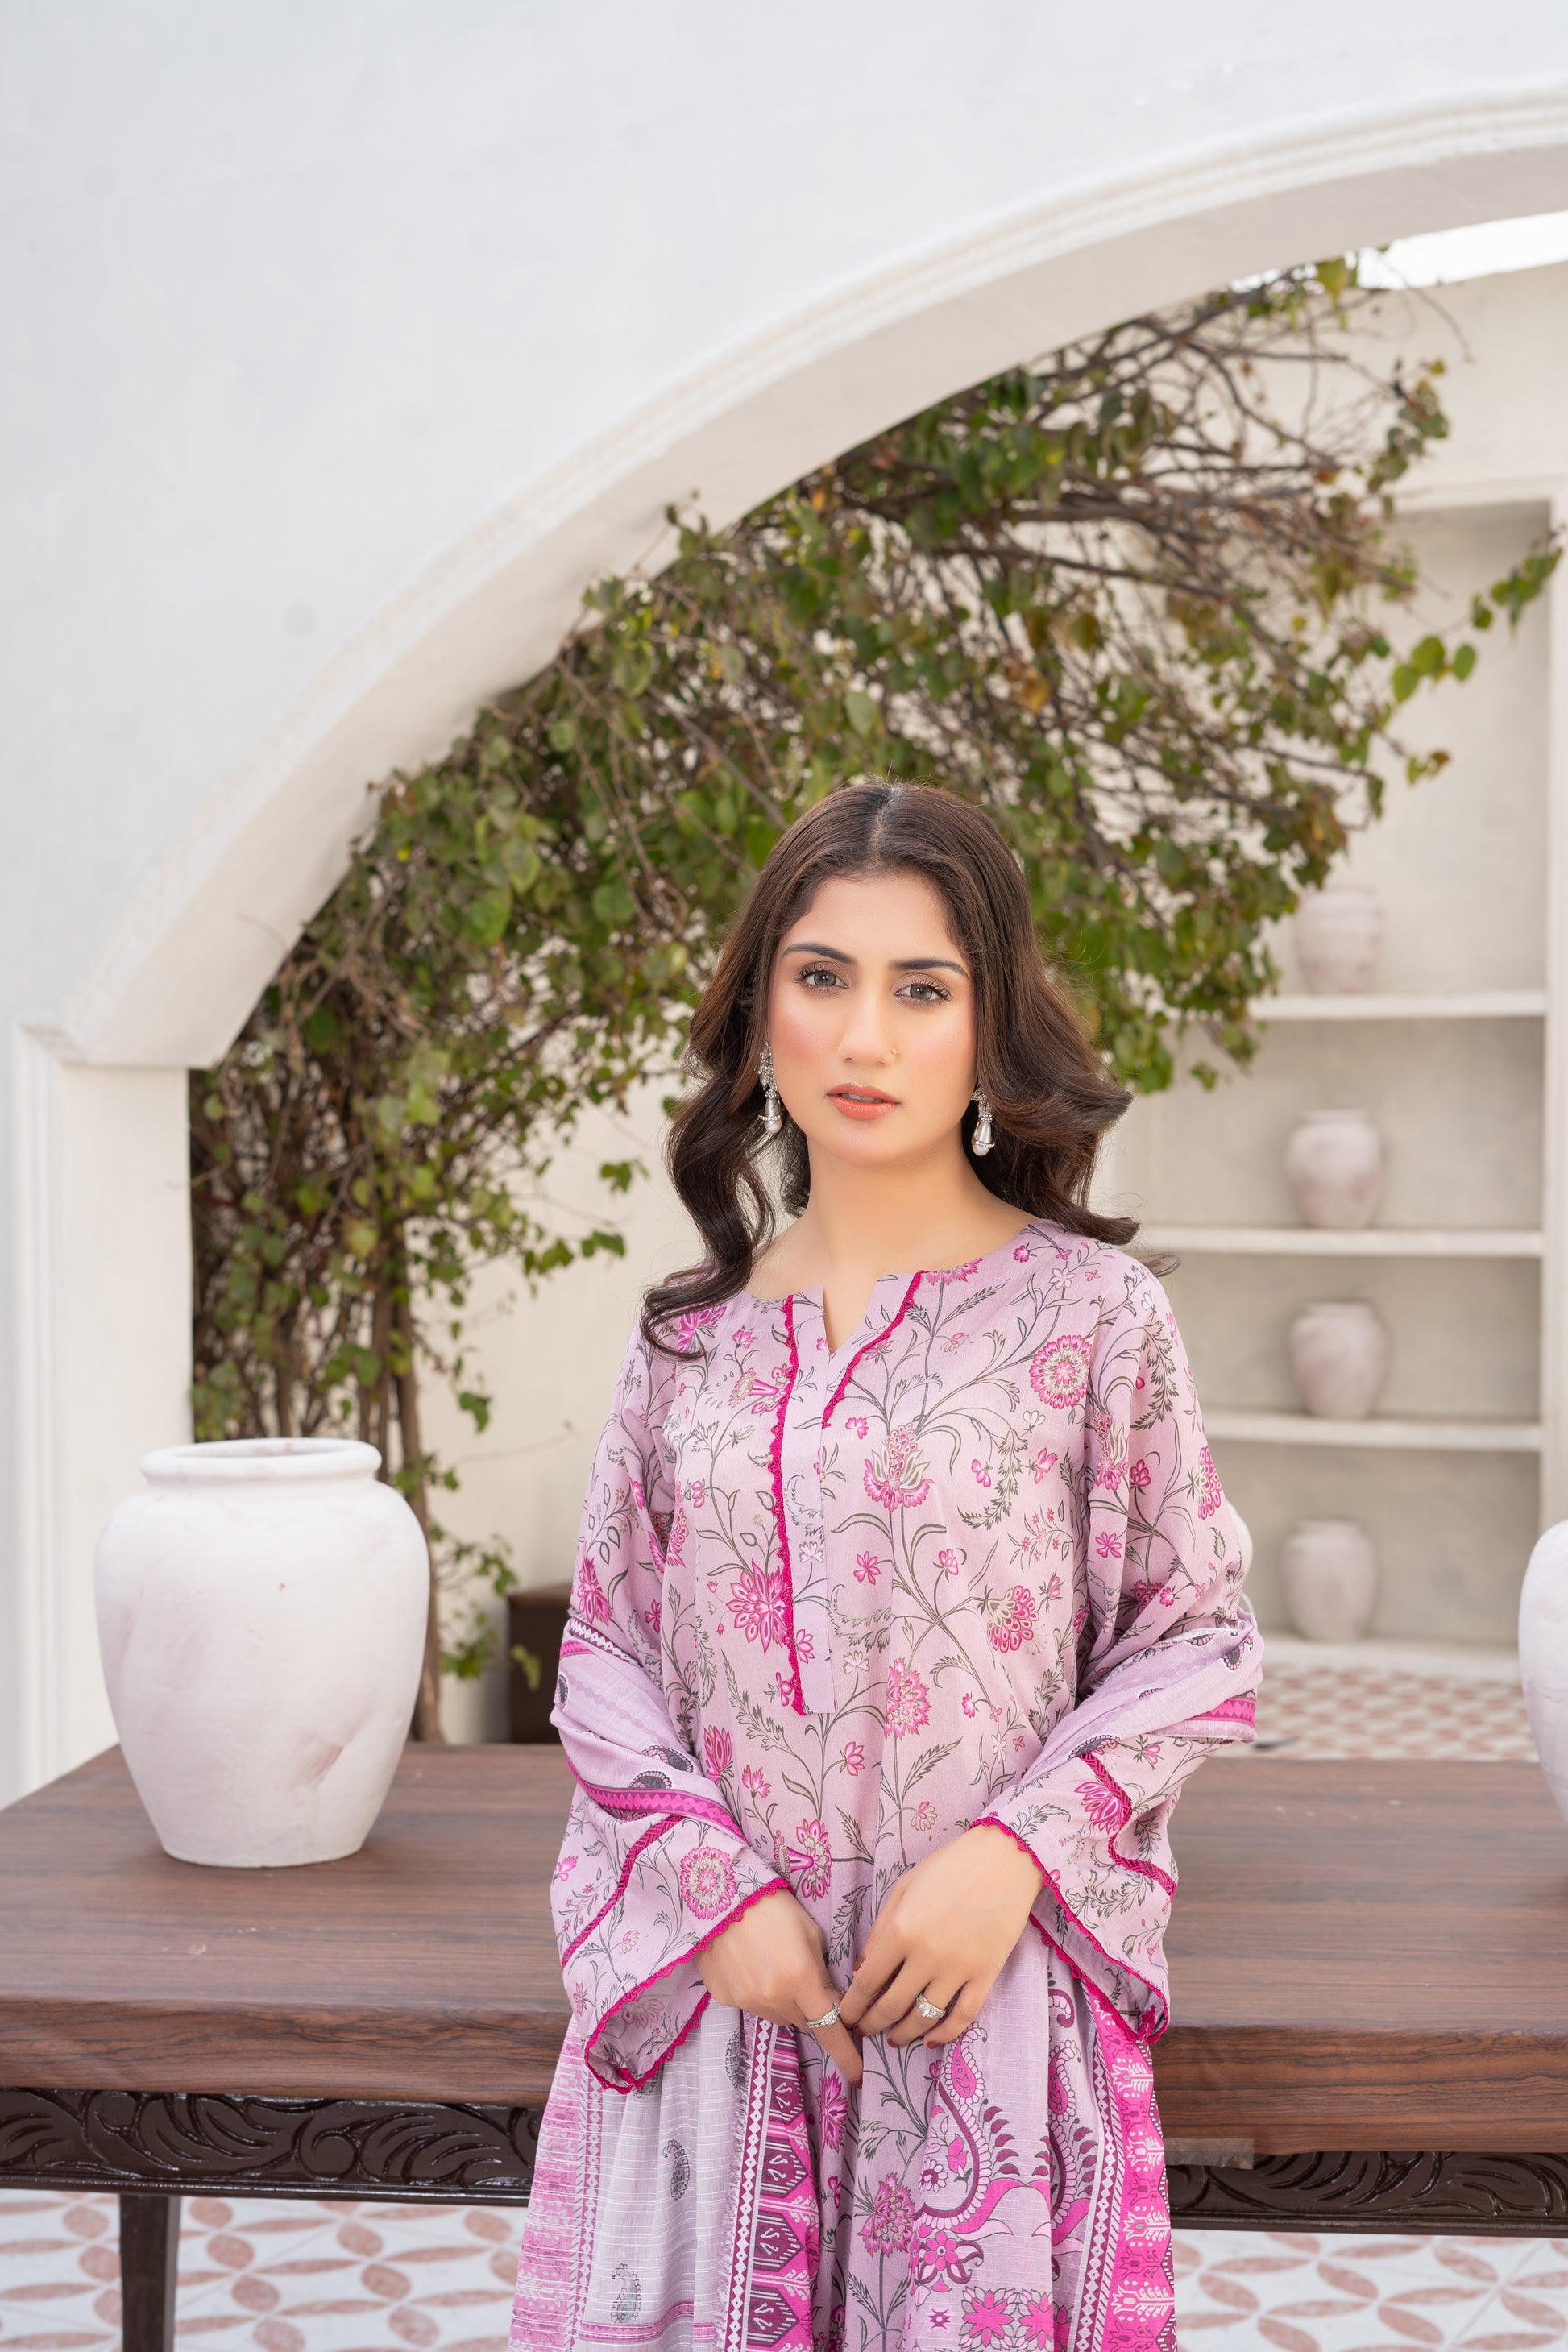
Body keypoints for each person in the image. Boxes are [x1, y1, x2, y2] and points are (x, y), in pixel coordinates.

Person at [512, 782, 1261, 2352]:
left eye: (921, 988)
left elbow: (1192, 1634)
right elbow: (605, 1653)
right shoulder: (687, 1340)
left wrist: (1012, 1858)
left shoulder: (1091, 1316)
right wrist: (714, 1896)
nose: (863, 1038)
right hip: (729, 2017)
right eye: (820, 976)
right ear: (758, 1008)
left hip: (985, 2013)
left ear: (989, 1026)